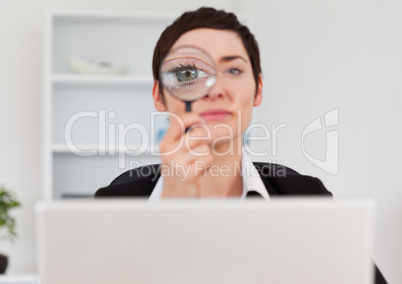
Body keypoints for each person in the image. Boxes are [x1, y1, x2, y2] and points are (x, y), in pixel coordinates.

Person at [95, 7, 386, 283]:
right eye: (187, 74)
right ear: (160, 96)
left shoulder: (310, 200)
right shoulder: (109, 209)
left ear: (258, 89)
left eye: (232, 70)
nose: (215, 90)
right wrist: (173, 212)